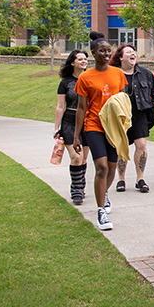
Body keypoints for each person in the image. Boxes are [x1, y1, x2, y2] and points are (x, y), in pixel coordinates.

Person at [74, 31, 127, 230]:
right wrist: (76, 135)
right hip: (94, 126)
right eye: (102, 51)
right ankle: (101, 211)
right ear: (93, 53)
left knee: (112, 168)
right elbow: (81, 108)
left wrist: (123, 127)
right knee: (102, 167)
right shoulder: (85, 78)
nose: (106, 54)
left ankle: (103, 193)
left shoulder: (118, 74)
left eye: (108, 51)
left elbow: (122, 102)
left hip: (113, 128)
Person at [109, 44, 154, 193]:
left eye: (133, 52)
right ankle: (121, 179)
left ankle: (140, 178)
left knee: (142, 145)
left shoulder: (144, 73)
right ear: (120, 57)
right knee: (121, 147)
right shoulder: (114, 74)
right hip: (121, 116)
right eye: (128, 52)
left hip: (140, 113)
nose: (133, 54)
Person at [54, 49, 90, 206]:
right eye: (80, 59)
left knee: (83, 159)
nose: (84, 61)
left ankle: (80, 187)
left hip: (88, 121)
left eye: (85, 59)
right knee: (76, 157)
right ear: (72, 62)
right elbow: (60, 106)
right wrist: (57, 128)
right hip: (70, 121)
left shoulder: (91, 79)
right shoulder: (65, 83)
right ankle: (76, 190)